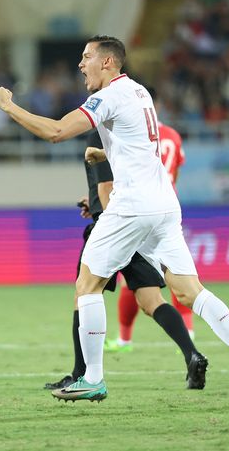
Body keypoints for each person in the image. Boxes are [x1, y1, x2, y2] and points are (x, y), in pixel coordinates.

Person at [0, 35, 229, 406]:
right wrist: (103, 151)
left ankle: (91, 378)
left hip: (132, 205)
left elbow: (56, 132)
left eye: (86, 57)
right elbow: (138, 146)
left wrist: (9, 106)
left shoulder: (108, 96)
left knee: (87, 285)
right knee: (188, 289)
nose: (80, 64)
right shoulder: (139, 93)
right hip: (165, 204)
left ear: (107, 63)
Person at [44, 131, 207, 392]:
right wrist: (94, 202)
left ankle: (80, 374)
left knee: (83, 293)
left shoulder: (99, 136)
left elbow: (106, 188)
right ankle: (192, 355)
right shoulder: (129, 135)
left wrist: (103, 211)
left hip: (114, 227)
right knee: (152, 301)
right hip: (139, 221)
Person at [104, 120, 195, 352]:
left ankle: (125, 340)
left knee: (130, 277)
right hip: (168, 208)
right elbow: (176, 170)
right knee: (178, 273)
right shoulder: (173, 134)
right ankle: (189, 335)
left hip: (142, 208)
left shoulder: (136, 132)